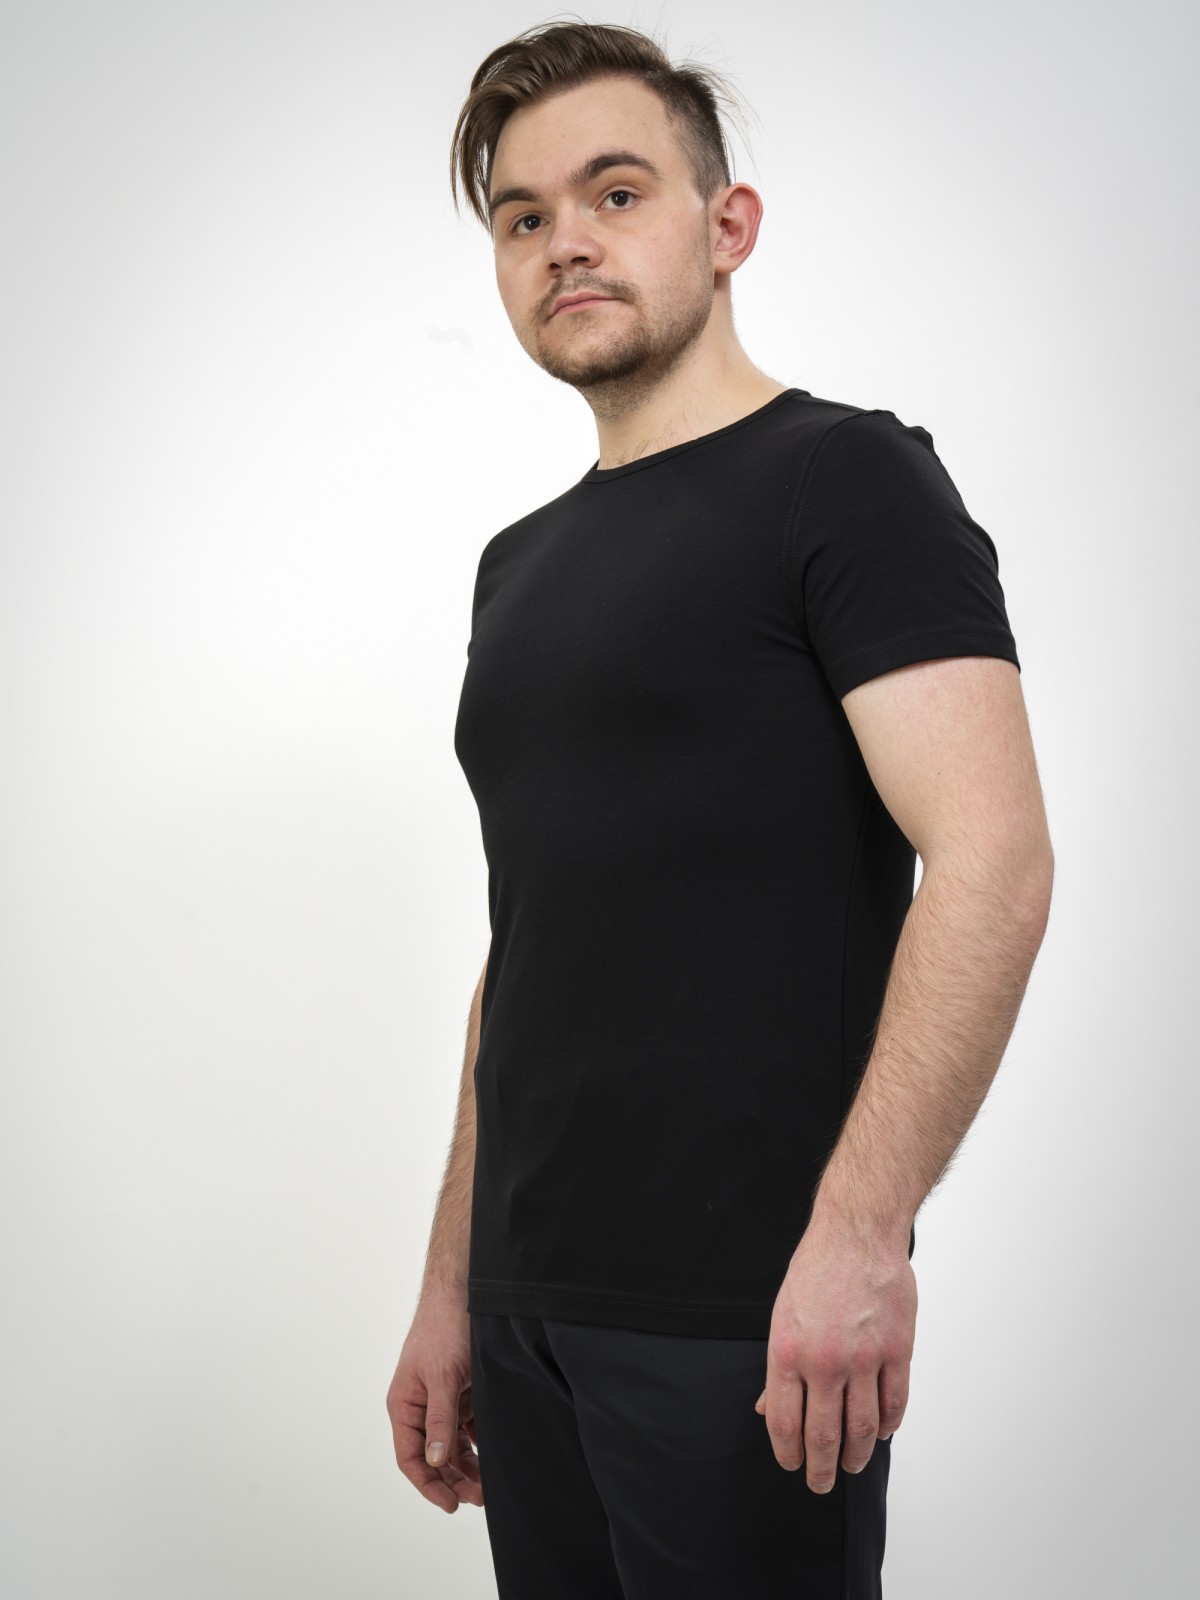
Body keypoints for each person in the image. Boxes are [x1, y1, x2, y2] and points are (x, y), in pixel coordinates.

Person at [386, 18, 1054, 1598]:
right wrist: (454, 1282)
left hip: (745, 1318)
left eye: (615, 193)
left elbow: (994, 859)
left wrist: (862, 1236)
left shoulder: (847, 480)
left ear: (728, 224)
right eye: (524, 217)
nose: (566, 241)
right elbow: (531, 940)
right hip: (528, 1312)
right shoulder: (515, 567)